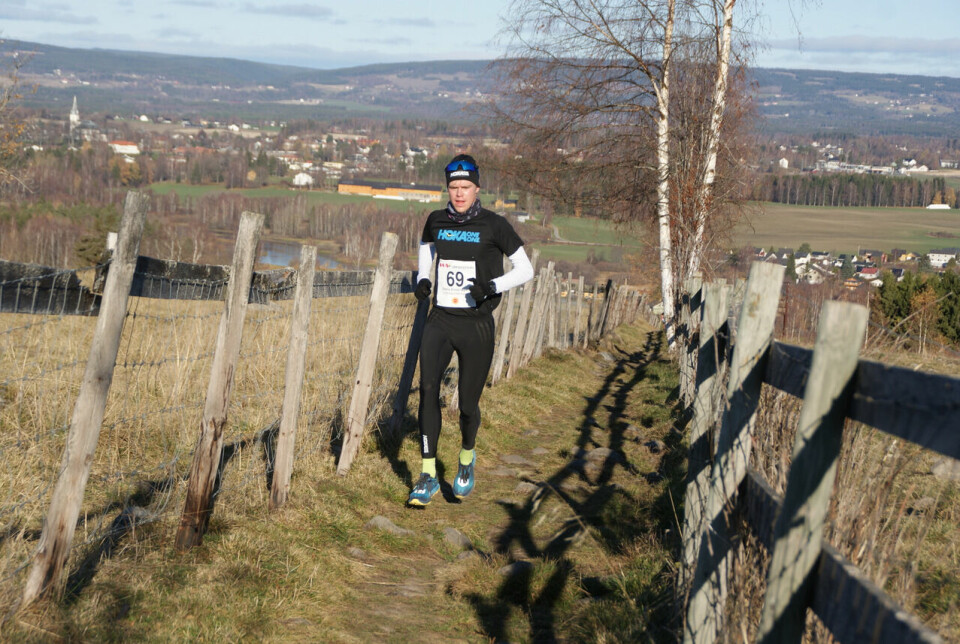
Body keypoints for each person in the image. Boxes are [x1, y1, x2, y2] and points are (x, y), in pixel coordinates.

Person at [407, 154, 534, 506]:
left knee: (466, 404)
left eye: (465, 187)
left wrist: (493, 287)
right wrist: (423, 278)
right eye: (453, 187)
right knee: (428, 391)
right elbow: (426, 248)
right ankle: (428, 475)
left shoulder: (494, 225)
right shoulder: (435, 220)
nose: (459, 193)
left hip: (476, 323)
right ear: (447, 188)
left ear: (477, 188)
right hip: (441, 319)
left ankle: (466, 459)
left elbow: (525, 269)